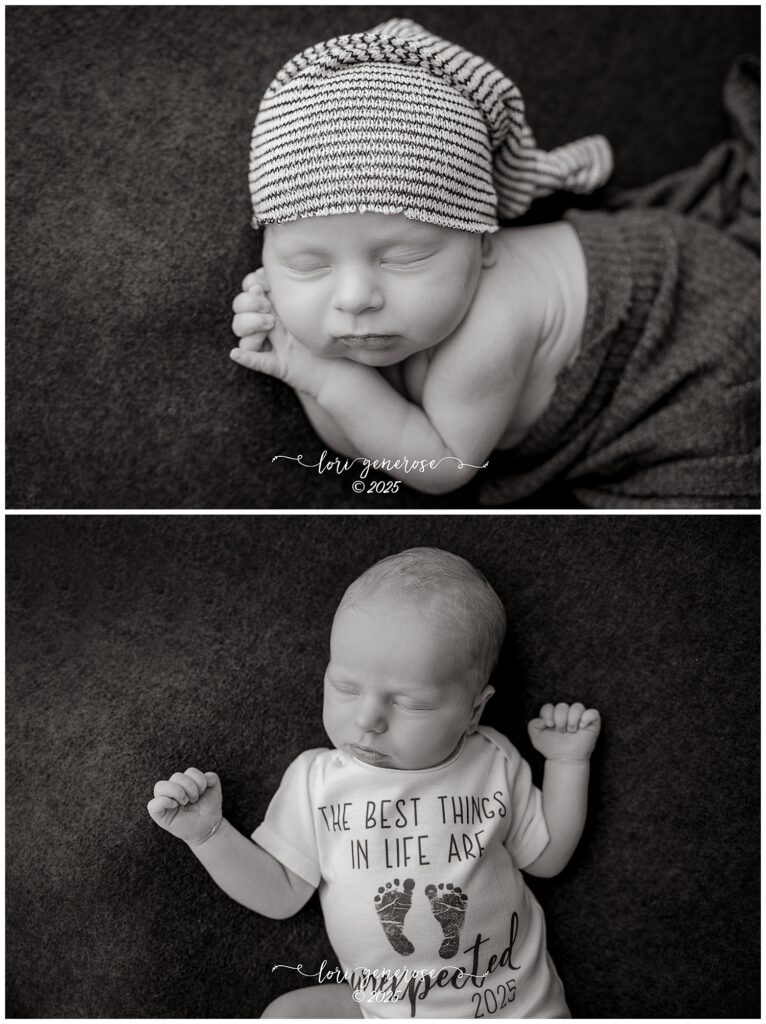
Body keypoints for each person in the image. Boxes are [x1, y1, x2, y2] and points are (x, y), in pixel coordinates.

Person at [230, 18, 759, 507]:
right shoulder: (402, 311)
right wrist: (307, 365)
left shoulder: (488, 330)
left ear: (485, 243)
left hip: (700, 324)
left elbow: (439, 466)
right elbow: (369, 437)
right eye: (306, 265)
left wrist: (321, 377)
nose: (353, 297)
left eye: (406, 257)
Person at [148, 547, 602, 1018]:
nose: (367, 719)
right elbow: (281, 893)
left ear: (474, 711)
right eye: (345, 688)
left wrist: (568, 762)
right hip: (386, 1010)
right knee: (286, 1015)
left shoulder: (491, 760)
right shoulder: (317, 781)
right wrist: (208, 834)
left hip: (515, 1010)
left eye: (408, 703)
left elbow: (548, 858)